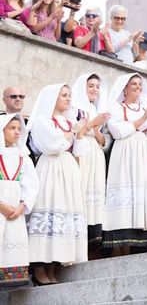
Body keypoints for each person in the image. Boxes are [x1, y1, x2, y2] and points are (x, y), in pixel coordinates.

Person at [26, 84, 90, 284]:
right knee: (49, 210)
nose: (68, 98)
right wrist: (73, 131)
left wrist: (79, 133)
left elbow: (79, 150)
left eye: (69, 95)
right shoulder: (42, 121)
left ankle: (54, 267)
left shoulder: (68, 121)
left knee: (64, 212)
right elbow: (51, 146)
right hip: (50, 168)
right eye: (63, 95)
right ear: (52, 98)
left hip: (68, 169)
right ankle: (39, 267)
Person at [103, 74, 147, 256]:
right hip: (125, 152)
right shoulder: (116, 107)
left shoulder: (145, 107)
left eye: (139, 84)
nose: (137, 87)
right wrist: (143, 118)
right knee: (124, 193)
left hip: (143, 152)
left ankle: (130, 246)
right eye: (133, 84)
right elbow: (118, 131)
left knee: (140, 193)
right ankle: (116, 248)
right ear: (125, 88)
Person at [71, 73, 111, 255]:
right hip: (82, 155)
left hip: (96, 155)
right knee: (82, 191)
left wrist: (99, 134)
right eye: (90, 86)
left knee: (95, 196)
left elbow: (104, 142)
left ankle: (94, 242)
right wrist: (91, 127)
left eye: (97, 86)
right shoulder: (74, 109)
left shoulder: (99, 110)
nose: (95, 89)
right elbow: (74, 132)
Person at [0, 114, 39, 286]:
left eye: (18, 129)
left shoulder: (23, 158)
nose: (16, 132)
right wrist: (1, 205)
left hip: (15, 210)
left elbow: (31, 184)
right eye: (11, 128)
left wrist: (22, 207)